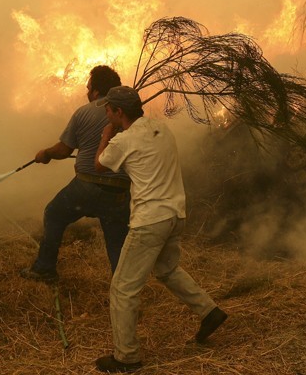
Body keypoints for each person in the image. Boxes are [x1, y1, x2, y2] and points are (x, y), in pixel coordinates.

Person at [93, 86, 227, 372]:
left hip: (149, 220)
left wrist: (106, 136)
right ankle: (209, 311)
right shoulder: (162, 129)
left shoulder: (122, 140)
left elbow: (99, 165)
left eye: (109, 109)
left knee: (122, 289)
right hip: (175, 214)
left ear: (119, 112)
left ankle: (126, 358)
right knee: (167, 270)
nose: (106, 112)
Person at [20, 65, 131, 282]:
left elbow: (64, 150)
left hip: (86, 188)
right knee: (117, 244)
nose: (87, 92)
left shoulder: (84, 111)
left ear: (97, 92)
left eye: (89, 88)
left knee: (53, 213)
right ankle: (125, 291)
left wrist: (46, 153)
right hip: (119, 193)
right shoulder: (129, 114)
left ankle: (44, 269)